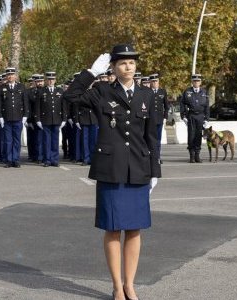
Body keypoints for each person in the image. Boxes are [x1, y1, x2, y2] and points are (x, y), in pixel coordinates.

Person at [63, 44, 161, 300]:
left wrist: (155, 171)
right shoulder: (101, 91)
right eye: (122, 63)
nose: (128, 67)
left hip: (138, 167)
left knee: (135, 229)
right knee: (113, 228)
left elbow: (152, 136)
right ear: (113, 68)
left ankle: (130, 284)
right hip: (110, 169)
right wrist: (90, 72)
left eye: (132, 63)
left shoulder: (148, 96)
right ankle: (117, 286)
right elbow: (70, 96)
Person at [0, 67, 29, 168]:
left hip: (18, 117)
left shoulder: (21, 87)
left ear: (15, 76)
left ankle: (16, 159)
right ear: (6, 76)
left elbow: (25, 102)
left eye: (12, 75)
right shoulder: (2, 88)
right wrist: (0, 116)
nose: (10, 76)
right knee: (8, 140)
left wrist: (25, 116)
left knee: (17, 140)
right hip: (6, 118)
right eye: (8, 75)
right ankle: (9, 160)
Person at [34, 71, 67, 167]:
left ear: (55, 80)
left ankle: (54, 159)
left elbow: (63, 106)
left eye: (52, 79)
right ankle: (47, 160)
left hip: (57, 119)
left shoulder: (60, 91)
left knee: (55, 141)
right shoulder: (41, 91)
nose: (50, 81)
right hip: (45, 119)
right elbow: (37, 107)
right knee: (46, 141)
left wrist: (64, 119)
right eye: (49, 79)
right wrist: (38, 120)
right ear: (46, 80)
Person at [180, 74, 209, 163]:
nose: (196, 83)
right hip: (191, 116)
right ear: (192, 82)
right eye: (194, 81)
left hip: (200, 117)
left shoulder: (204, 92)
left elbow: (207, 106)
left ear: (200, 82)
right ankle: (191, 156)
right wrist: (183, 116)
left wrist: (207, 119)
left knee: (198, 136)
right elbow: (182, 104)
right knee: (191, 136)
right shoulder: (187, 92)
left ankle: (197, 155)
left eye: (198, 81)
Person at [150, 73, 169, 163]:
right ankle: (151, 157)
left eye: (156, 81)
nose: (154, 83)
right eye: (153, 81)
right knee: (150, 139)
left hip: (159, 119)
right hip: (150, 120)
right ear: (150, 82)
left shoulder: (162, 91)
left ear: (158, 82)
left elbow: (166, 106)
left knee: (158, 139)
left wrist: (165, 117)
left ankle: (157, 157)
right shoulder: (147, 91)